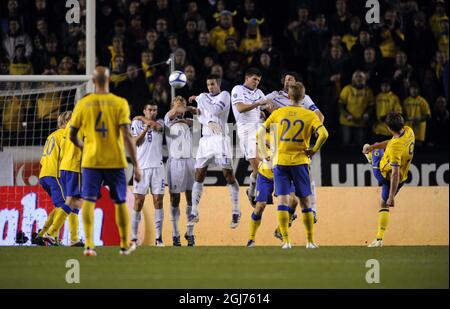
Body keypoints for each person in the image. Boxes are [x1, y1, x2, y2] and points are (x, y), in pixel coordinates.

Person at [69, 66, 141, 256]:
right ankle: (125, 245)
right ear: (109, 81)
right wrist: (137, 166)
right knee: (120, 202)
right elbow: (127, 137)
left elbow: (71, 134)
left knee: (88, 201)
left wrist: (83, 147)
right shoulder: (119, 103)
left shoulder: (84, 104)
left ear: (93, 81)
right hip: (115, 160)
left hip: (91, 160)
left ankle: (89, 246)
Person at [258, 82, 329, 249]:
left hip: (281, 161)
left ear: (288, 96)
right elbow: (324, 134)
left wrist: (264, 153)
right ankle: (310, 241)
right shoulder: (309, 115)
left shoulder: (279, 113)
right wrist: (314, 150)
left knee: (282, 200)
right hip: (300, 161)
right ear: (303, 97)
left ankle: (286, 241)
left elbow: (260, 132)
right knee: (305, 201)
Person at [188, 74, 241, 237]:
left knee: (228, 175)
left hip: (220, 139)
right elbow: (203, 114)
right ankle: (194, 212)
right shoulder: (203, 97)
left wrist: (199, 101)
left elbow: (215, 111)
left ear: (218, 84)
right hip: (206, 140)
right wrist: (199, 113)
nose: (210, 87)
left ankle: (236, 210)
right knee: (199, 175)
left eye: (212, 84)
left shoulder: (225, 95)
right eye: (208, 84)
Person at [362, 112, 415, 247]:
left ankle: (370, 159)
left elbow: (394, 174)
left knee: (368, 148)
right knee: (382, 204)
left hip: (383, 174)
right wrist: (375, 146)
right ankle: (379, 239)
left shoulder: (395, 148)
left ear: (389, 128)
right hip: (402, 178)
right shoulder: (409, 132)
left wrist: (391, 196)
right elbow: (391, 142)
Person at [35, 111, 78, 246]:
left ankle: (42, 235)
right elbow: (66, 156)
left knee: (61, 206)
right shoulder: (64, 135)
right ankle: (62, 237)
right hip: (55, 175)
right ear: (66, 122)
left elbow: (43, 160)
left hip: (44, 175)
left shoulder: (51, 136)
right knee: (69, 204)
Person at [43, 110, 85, 247]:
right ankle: (51, 233)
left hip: (64, 168)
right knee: (71, 201)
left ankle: (71, 237)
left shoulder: (64, 129)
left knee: (76, 202)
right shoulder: (81, 124)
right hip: (73, 166)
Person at [231, 67, 271, 208]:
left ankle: (252, 191)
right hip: (246, 132)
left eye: (258, 80)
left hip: (259, 130)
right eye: (254, 79)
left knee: (267, 165)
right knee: (258, 166)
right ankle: (257, 194)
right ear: (247, 78)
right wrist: (257, 105)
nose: (256, 83)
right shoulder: (237, 90)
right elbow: (240, 108)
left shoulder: (258, 92)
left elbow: (269, 107)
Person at [130, 104, 165, 247]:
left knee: (158, 201)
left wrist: (143, 119)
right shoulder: (136, 123)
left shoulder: (161, 122)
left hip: (157, 167)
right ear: (144, 110)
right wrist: (144, 127)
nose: (152, 112)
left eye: (155, 110)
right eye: (149, 110)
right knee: (138, 202)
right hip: (141, 168)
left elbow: (156, 126)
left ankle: (158, 238)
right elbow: (135, 142)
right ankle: (133, 237)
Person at [164, 96, 195, 246]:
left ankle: (190, 233)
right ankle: (175, 234)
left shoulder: (188, 122)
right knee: (175, 198)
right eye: (177, 105)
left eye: (183, 104)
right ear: (172, 106)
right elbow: (173, 114)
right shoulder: (168, 119)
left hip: (189, 161)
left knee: (191, 198)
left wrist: (186, 115)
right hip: (175, 163)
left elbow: (195, 122)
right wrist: (183, 108)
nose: (181, 108)